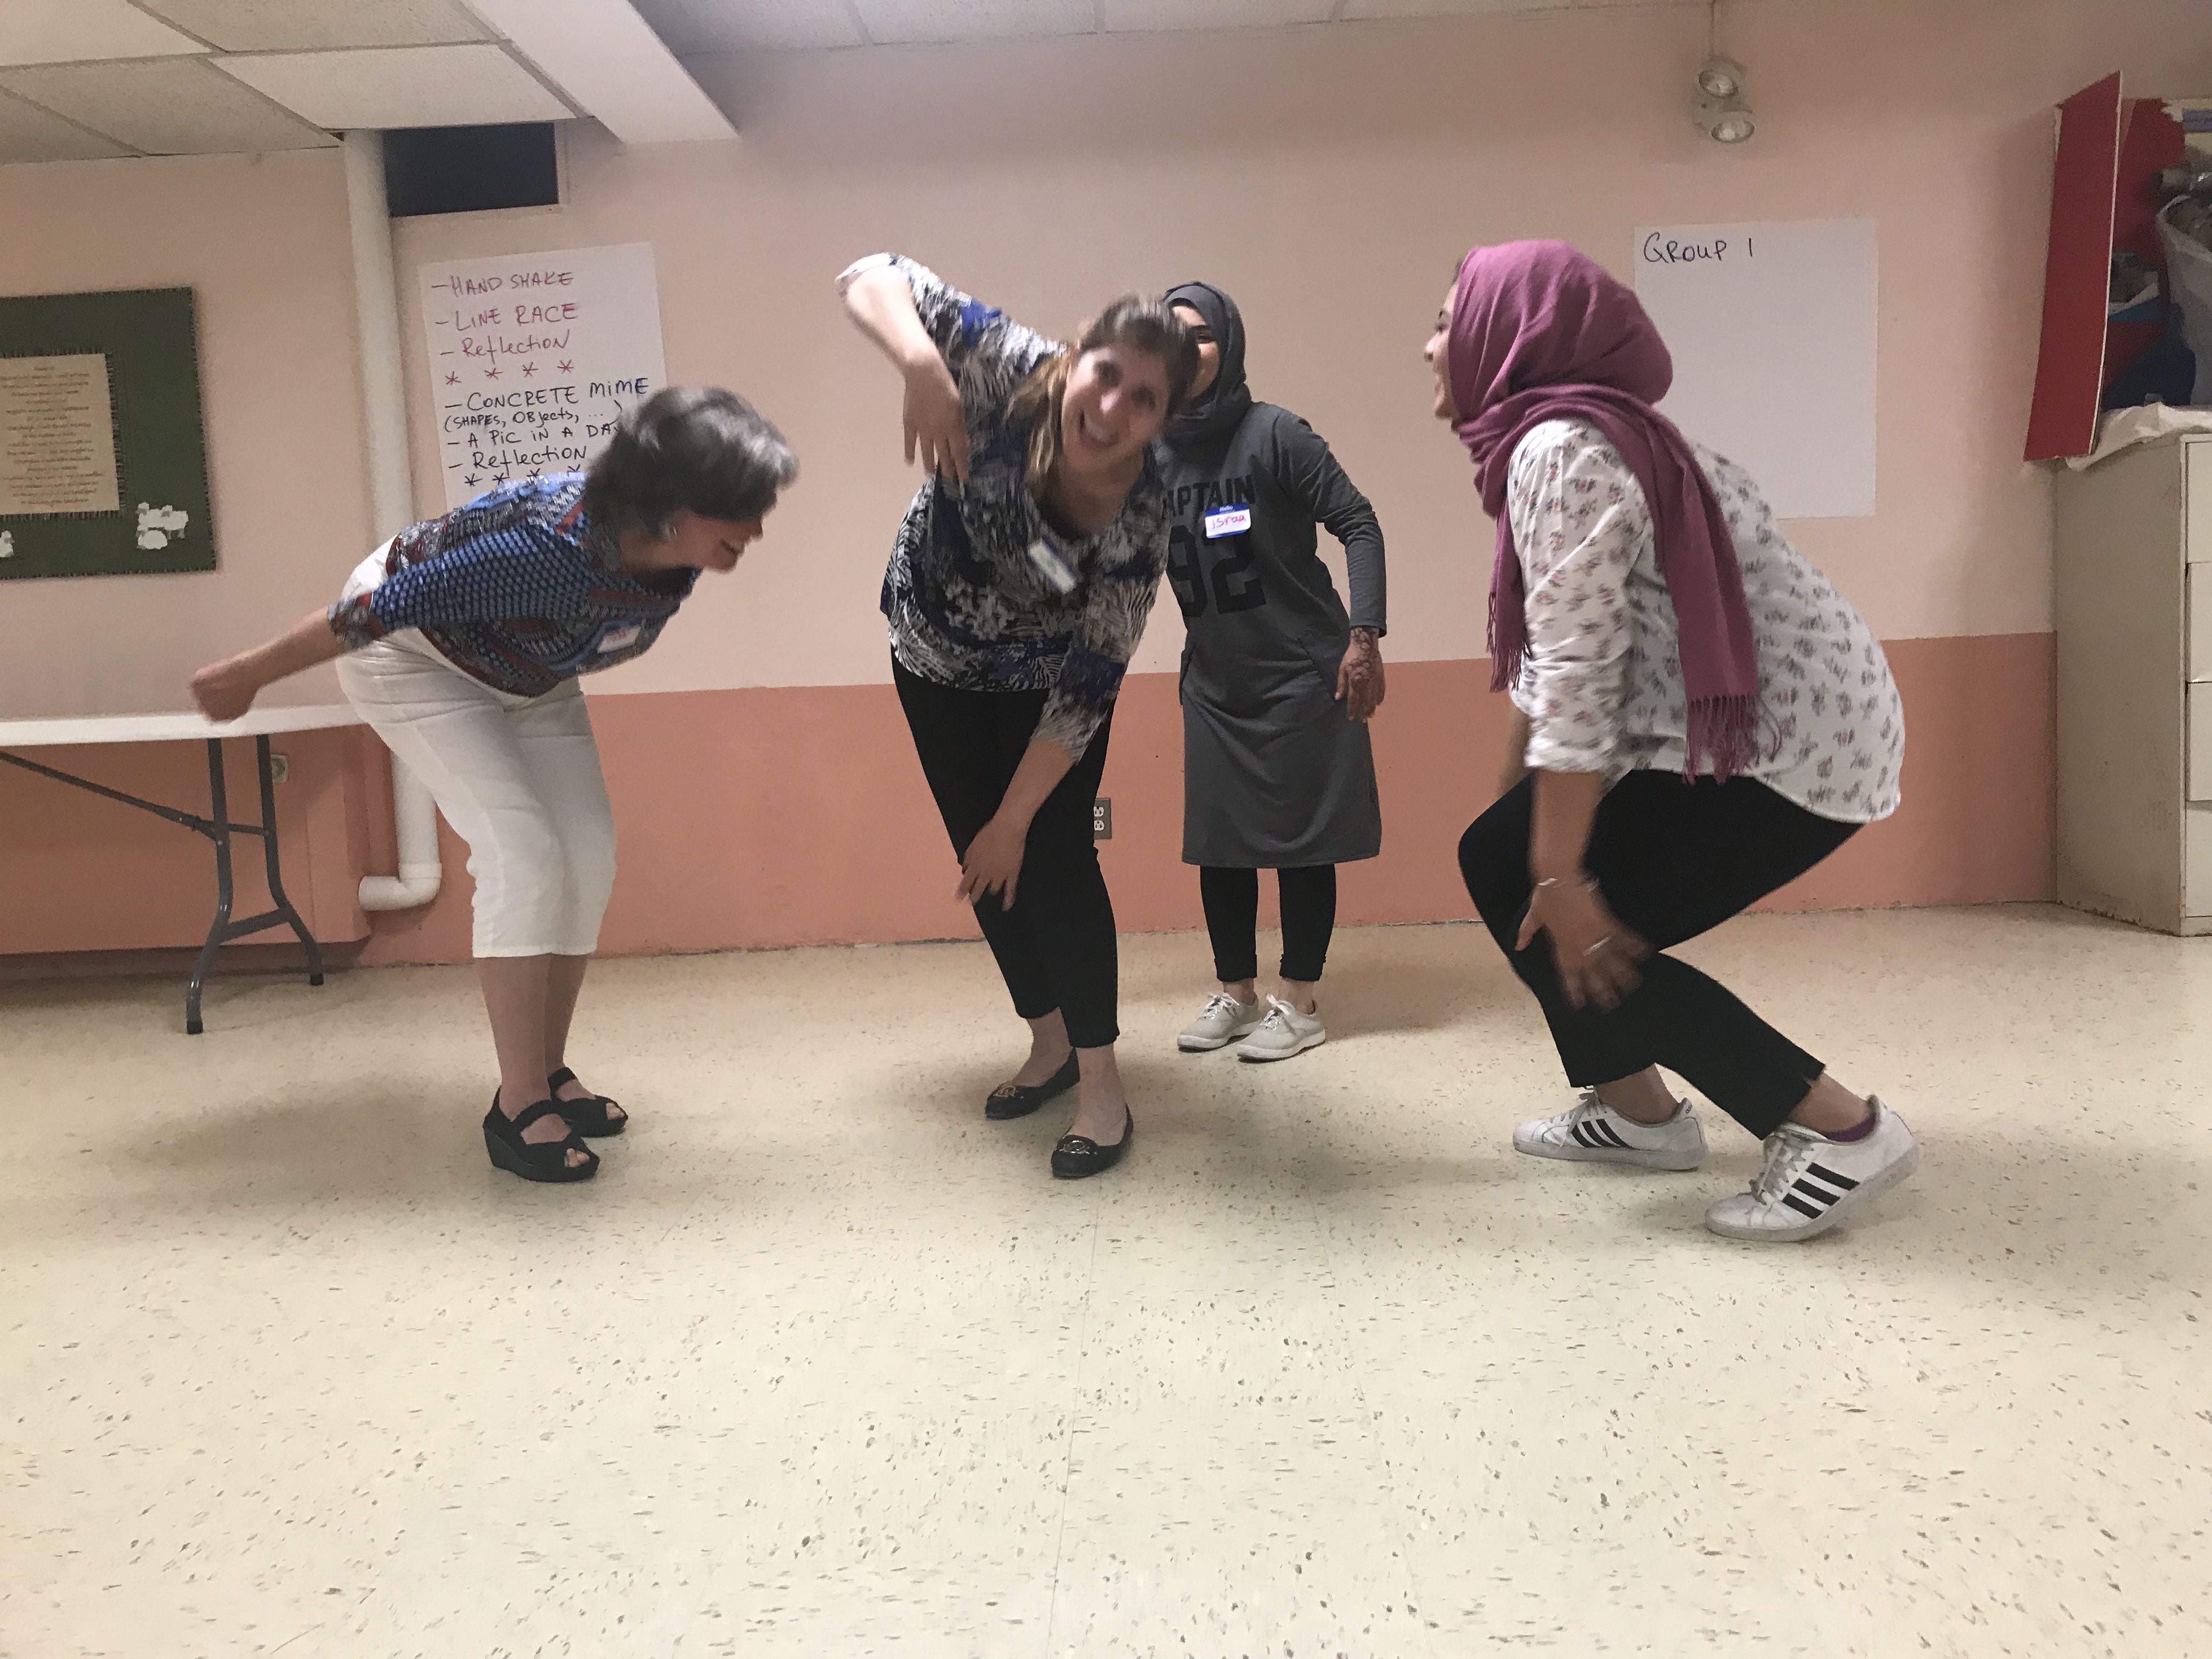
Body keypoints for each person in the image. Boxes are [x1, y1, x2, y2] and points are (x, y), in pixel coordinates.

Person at [1431, 241, 1918, 1243]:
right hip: (1786, 728)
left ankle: (1841, 1129)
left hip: (1788, 749)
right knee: (1503, 863)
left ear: (1507, 335)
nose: (1429, 345)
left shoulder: (1560, 449)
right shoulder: (1591, 436)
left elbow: (1579, 672)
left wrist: (1561, 877)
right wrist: (1528, 842)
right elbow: (1558, 659)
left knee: (1584, 926)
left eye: (1446, 321)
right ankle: (1639, 1116)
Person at [188, 388, 797, 1184]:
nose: (757, 531)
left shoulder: (668, 555)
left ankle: (548, 1069)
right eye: (743, 513)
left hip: (528, 673)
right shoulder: (545, 548)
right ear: (672, 509)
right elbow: (373, 612)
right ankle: (518, 1105)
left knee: (586, 854)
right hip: (412, 659)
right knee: (523, 851)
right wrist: (248, 675)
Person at [838, 252, 1197, 1179]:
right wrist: (922, 365)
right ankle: (1047, 1042)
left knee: (1052, 857)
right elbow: (869, 274)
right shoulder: (1007, 365)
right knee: (982, 862)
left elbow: (1091, 682)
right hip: (932, 655)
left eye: (1144, 399)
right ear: (1074, 359)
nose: (1111, 408)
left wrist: (1016, 818)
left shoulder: (1144, 514)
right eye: (1105, 374)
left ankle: (1103, 1088)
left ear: (1164, 420)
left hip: (1049, 682)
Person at [1153, 282, 1387, 1064]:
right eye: (1171, 335)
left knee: (1301, 843)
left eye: (1201, 334)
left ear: (1228, 345)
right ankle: (1237, 993)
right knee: (1219, 842)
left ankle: (1300, 1001)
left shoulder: (1276, 434)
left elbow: (1358, 522)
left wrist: (1364, 635)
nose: (1187, 348)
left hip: (1302, 676)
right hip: (1216, 684)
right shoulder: (1152, 452)